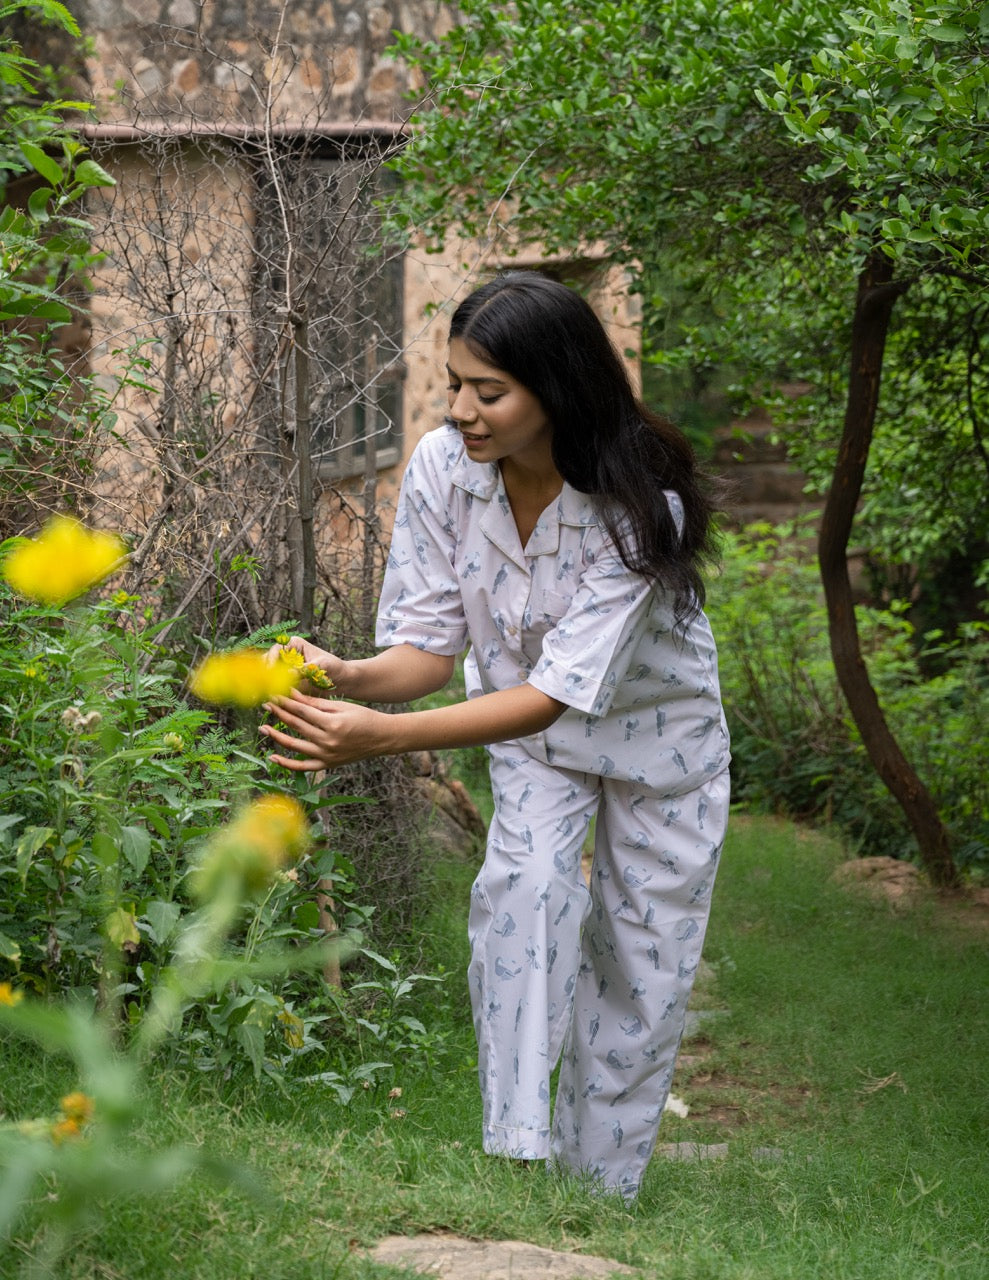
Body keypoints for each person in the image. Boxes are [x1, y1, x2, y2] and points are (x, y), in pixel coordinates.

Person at [260, 272, 731, 1201]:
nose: (463, 412)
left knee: (642, 963)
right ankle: (516, 1159)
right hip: (529, 736)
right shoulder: (443, 469)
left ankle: (597, 1194)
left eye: (490, 391)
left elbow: (558, 691)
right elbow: (427, 650)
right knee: (525, 890)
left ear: (556, 389)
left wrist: (381, 741)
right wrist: (353, 679)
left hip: (655, 746)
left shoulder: (643, 503)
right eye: (455, 386)